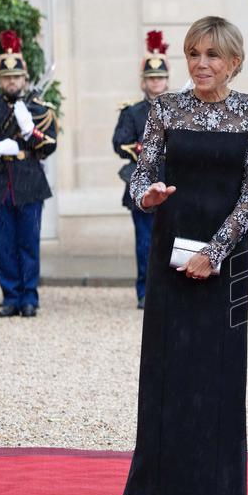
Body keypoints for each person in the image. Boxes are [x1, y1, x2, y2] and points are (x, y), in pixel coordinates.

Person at [116, 16, 248, 495]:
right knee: (163, 365)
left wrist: (216, 250)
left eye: (212, 55)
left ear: (234, 63)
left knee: (218, 369)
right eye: (194, 54)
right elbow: (144, 168)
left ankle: (219, 486)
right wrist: (147, 194)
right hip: (170, 249)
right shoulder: (165, 107)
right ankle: (145, 484)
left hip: (223, 255)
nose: (202, 64)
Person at [0, 30, 57, 318]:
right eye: (7, 78)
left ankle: (29, 297)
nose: (12, 82)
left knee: (28, 244)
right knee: (4, 245)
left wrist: (31, 130)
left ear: (25, 77)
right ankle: (10, 297)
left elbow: (50, 144)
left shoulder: (40, 109)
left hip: (29, 182)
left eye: (16, 77)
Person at [113, 30, 170, 309]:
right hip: (143, 184)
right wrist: (148, 150)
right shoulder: (132, 112)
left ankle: (171, 291)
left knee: (172, 242)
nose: (155, 82)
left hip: (172, 184)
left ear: (166, 81)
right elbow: (119, 143)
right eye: (151, 78)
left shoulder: (179, 109)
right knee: (145, 243)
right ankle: (145, 292)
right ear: (143, 82)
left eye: (160, 77)